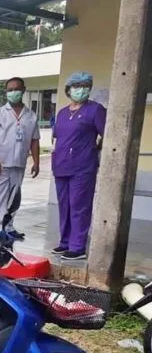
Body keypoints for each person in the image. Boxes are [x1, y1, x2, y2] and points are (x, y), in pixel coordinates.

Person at [51, 71, 107, 261]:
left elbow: (107, 135)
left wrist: (94, 149)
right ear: (68, 89)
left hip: (82, 167)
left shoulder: (96, 110)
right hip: (61, 166)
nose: (81, 90)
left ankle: (77, 246)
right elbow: (57, 137)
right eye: (77, 86)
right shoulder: (62, 113)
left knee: (79, 206)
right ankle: (65, 242)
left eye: (85, 86)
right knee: (64, 206)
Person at [0, 77, 41, 238]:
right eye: (10, 90)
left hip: (19, 163)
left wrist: (36, 162)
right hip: (1, 164)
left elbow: (35, 140)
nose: (13, 92)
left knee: (14, 198)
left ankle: (9, 227)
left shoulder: (31, 115)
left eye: (16, 89)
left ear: (23, 90)